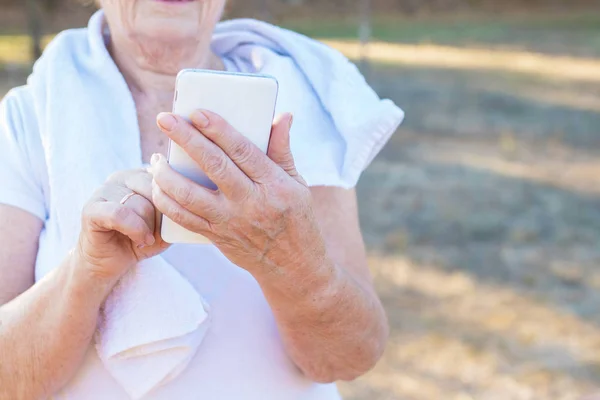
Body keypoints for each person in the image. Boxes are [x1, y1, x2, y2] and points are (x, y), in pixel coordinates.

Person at [0, 1, 403, 399]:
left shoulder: (299, 98)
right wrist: (87, 271)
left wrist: (286, 257)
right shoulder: (29, 117)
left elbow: (351, 357)